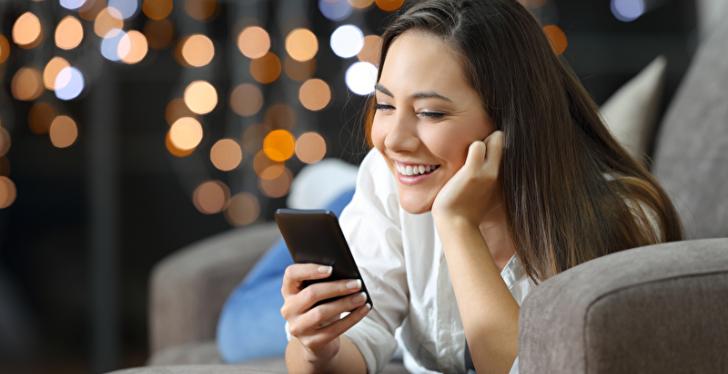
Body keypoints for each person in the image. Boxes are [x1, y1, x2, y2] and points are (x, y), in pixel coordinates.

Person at [279, 0, 683, 373]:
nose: (393, 138)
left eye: (430, 112)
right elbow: (357, 337)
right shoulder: (386, 176)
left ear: (511, 121)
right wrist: (317, 347)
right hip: (382, 197)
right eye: (385, 104)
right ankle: (320, 184)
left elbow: (521, 368)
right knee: (241, 325)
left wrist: (457, 223)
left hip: (416, 191)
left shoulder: (622, 218)